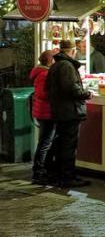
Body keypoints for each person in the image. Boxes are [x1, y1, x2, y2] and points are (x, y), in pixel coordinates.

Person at [45, 38, 92, 188]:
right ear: (72, 51)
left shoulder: (55, 65)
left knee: (61, 143)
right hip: (69, 111)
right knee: (68, 145)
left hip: (60, 111)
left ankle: (58, 174)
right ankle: (67, 176)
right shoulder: (67, 66)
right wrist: (86, 94)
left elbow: (50, 88)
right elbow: (71, 89)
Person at [29, 49, 58, 185]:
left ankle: (43, 170)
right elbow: (43, 94)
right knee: (45, 143)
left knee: (45, 142)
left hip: (42, 111)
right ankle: (38, 172)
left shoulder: (40, 73)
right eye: (53, 58)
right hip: (46, 112)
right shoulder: (44, 74)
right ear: (49, 60)